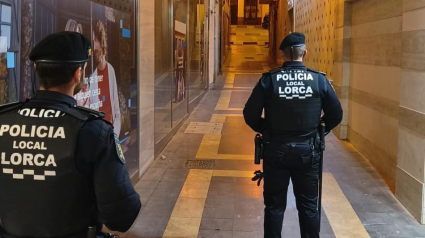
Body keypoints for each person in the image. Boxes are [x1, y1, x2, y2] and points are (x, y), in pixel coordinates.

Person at [0, 32, 141, 238]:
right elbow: (122, 216)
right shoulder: (94, 132)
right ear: (78, 74)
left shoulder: (4, 121)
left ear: (37, 69)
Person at [243, 32, 343, 238]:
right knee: (308, 207)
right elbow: (336, 114)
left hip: (275, 150)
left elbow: (249, 114)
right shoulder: (319, 81)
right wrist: (318, 131)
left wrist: (266, 130)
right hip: (308, 152)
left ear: (282, 55)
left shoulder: (269, 81)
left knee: (274, 207)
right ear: (304, 53)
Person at [90, 20, 121, 136]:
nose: (94, 47)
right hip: (97, 136)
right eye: (92, 41)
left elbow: (116, 111)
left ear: (101, 41)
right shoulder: (92, 75)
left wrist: (115, 135)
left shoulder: (111, 70)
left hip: (111, 134)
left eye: (95, 40)